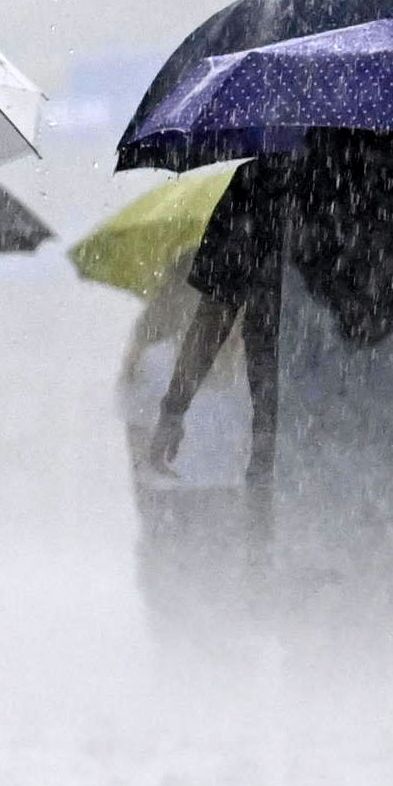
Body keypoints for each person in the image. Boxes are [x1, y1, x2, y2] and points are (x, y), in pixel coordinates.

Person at [146, 130, 393, 679]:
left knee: (325, 682)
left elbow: (214, 311)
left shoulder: (266, 190)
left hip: (311, 498)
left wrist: (174, 409)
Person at [116, 253, 256, 646]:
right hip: (210, 505)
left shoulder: (155, 362)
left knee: (186, 617)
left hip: (189, 507)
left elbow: (138, 453)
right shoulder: (159, 363)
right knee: (213, 619)